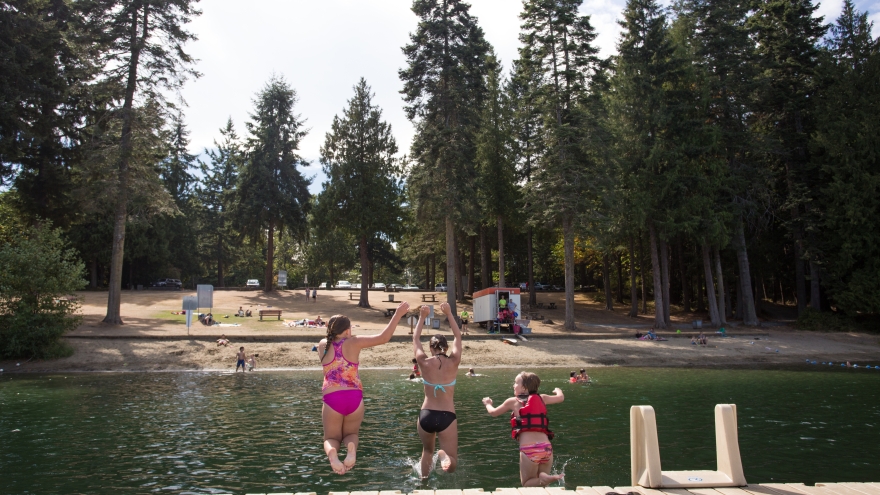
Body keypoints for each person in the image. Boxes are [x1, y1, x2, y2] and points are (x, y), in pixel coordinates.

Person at [317, 301, 410, 475]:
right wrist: (397, 314)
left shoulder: (323, 345)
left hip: (332, 400)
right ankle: (351, 450)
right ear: (347, 330)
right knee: (351, 435)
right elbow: (384, 338)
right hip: (354, 399)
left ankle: (332, 455)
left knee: (331, 438)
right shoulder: (354, 342)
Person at [482, 372, 565, 487]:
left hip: (529, 449)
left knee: (527, 484)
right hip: (546, 448)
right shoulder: (542, 398)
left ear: (524, 388)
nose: (513, 385)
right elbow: (560, 398)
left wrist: (488, 403)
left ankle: (544, 479)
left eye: (516, 383)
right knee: (541, 487)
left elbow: (493, 412)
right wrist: (557, 390)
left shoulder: (512, 401)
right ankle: (544, 478)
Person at [413, 302, 462, 478]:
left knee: (426, 451)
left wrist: (422, 317)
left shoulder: (424, 362)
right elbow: (458, 337)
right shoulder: (454, 361)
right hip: (446, 416)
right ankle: (444, 456)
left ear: (431, 348)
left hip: (426, 415)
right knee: (452, 462)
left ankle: (424, 482)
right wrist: (449, 314)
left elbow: (416, 339)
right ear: (446, 348)